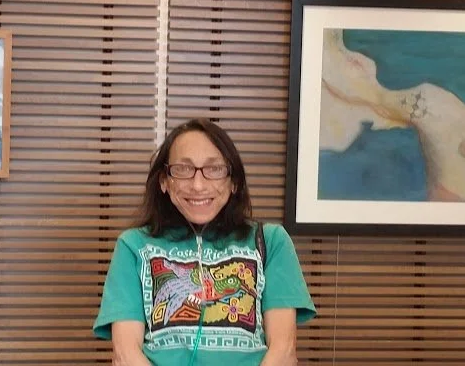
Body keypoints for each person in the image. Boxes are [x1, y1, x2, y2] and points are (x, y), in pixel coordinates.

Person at [93, 118, 316, 365]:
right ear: (164, 181)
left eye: (215, 169)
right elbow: (125, 354)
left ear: (234, 182)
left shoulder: (271, 242)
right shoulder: (133, 245)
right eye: (183, 169)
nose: (198, 185)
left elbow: (283, 351)